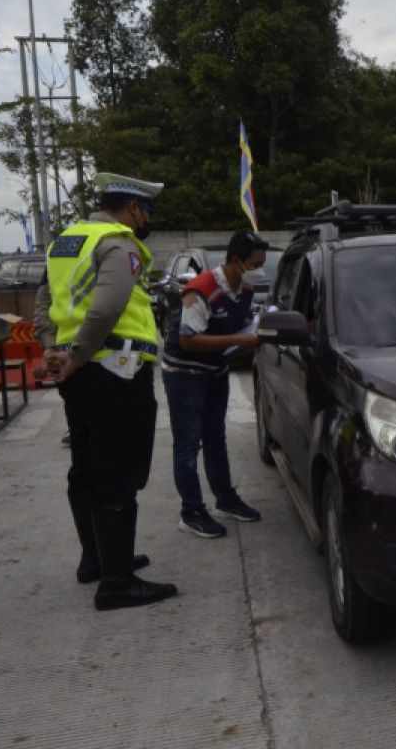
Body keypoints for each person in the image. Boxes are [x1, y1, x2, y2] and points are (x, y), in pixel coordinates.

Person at [34, 172, 176, 611]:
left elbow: (43, 301)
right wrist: (74, 355)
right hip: (115, 371)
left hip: (80, 375)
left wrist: (54, 350)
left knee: (87, 467)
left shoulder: (66, 241)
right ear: (133, 209)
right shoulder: (119, 243)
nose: (147, 220)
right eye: (147, 212)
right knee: (117, 474)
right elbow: (109, 305)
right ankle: (117, 582)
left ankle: (96, 559)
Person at [161, 229, 266, 538]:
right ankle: (191, 511)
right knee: (188, 443)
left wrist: (260, 330)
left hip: (216, 371)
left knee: (215, 438)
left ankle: (225, 498)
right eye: (255, 262)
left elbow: (242, 322)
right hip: (185, 375)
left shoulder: (244, 289)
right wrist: (241, 339)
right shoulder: (200, 289)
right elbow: (188, 340)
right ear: (236, 260)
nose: (258, 269)